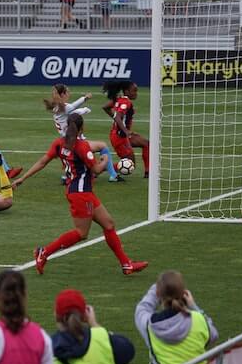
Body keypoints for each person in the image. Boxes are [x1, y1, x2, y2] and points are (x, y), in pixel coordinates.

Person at [12, 113, 148, 276]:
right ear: (82, 128)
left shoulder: (59, 144)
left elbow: (43, 162)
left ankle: (126, 265)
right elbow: (97, 169)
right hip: (81, 194)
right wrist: (105, 160)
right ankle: (44, 252)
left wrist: (22, 178)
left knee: (108, 224)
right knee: (81, 233)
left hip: (80, 191)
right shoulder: (82, 147)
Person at [135, 270, 218, 364]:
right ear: (184, 293)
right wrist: (194, 307)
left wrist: (159, 287)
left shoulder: (149, 326)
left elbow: (142, 308)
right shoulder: (198, 318)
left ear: (159, 294)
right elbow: (213, 335)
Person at [52, 289, 135, 364]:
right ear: (85, 315)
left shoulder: (46, 348)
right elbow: (128, 352)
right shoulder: (101, 338)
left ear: (56, 316)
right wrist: (94, 324)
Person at [44, 84, 119, 182]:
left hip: (66, 142)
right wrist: (85, 99)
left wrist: (81, 111)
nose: (69, 94)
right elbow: (73, 107)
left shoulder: (57, 107)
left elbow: (71, 113)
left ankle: (70, 176)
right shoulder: (64, 107)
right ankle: (113, 175)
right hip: (75, 142)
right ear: (63, 94)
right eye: (68, 92)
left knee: (87, 158)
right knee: (103, 146)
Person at [102, 81, 150, 178]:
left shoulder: (119, 99)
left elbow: (106, 107)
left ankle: (148, 172)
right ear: (127, 91)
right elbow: (118, 117)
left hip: (120, 134)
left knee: (146, 144)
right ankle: (97, 169)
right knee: (130, 163)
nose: (136, 93)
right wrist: (126, 130)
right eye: (134, 91)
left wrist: (121, 123)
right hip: (119, 137)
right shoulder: (126, 102)